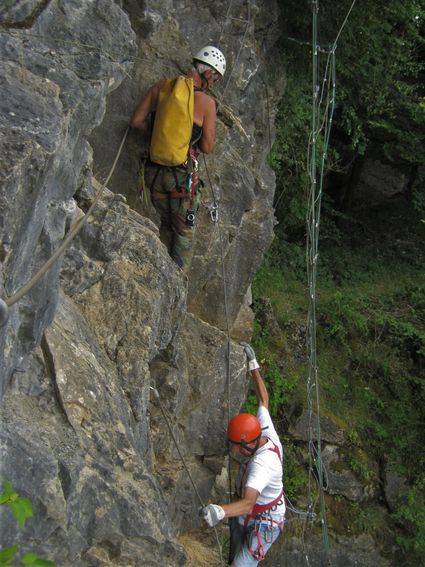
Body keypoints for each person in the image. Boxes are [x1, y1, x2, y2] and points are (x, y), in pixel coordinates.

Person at [130, 46, 226, 273]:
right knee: (183, 237)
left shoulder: (161, 87)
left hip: (153, 176)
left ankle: (158, 277)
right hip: (182, 181)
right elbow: (208, 146)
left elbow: (135, 121)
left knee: (165, 226)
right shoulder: (207, 103)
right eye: (215, 79)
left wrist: (157, 135)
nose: (213, 84)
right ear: (209, 75)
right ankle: (174, 287)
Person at [201, 342, 285, 566]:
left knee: (241, 564)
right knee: (234, 553)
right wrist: (253, 365)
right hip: (247, 514)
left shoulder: (262, 466)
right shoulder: (263, 429)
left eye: (238, 446)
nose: (235, 450)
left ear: (249, 443)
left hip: (266, 521)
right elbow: (263, 399)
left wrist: (219, 511)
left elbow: (248, 504)